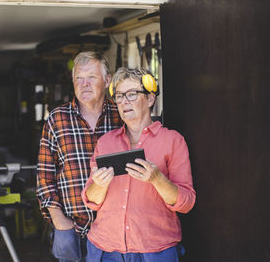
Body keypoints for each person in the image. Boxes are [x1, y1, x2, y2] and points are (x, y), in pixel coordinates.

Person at [81, 67, 196, 262]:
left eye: (132, 94)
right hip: (105, 250)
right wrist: (99, 185)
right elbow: (91, 200)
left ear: (150, 99)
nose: (124, 101)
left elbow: (186, 203)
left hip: (155, 250)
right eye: (119, 96)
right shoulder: (106, 142)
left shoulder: (173, 141)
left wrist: (157, 179)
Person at [36, 51, 123, 262]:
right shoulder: (57, 120)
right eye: (79, 78)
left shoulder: (121, 115)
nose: (84, 84)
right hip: (71, 227)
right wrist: (59, 221)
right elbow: (44, 177)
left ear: (107, 80)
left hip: (114, 228)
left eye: (91, 77)